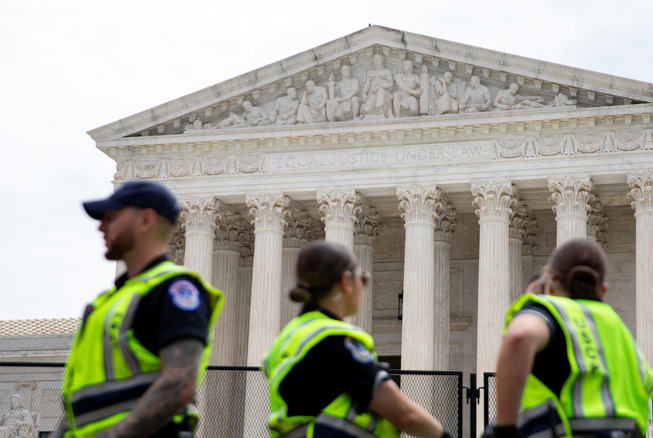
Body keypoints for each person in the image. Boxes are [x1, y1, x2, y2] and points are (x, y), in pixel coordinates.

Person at [54, 180, 224, 438]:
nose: (101, 226)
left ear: (145, 220)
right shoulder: (105, 304)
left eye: (112, 217)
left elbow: (179, 384)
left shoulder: (174, 289)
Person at [263, 241, 451, 438]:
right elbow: (405, 415)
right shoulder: (332, 340)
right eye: (363, 278)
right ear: (346, 281)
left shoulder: (287, 340)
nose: (363, 286)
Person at [492, 239, 653, 438]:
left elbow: (520, 336)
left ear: (551, 284)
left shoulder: (557, 311)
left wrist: (504, 430)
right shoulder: (621, 333)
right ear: (603, 290)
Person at [360, 53, 394, 119]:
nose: (376, 61)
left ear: (382, 61)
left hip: (384, 92)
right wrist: (364, 94)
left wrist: (379, 86)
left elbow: (390, 84)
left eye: (378, 59)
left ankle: (380, 108)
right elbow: (367, 85)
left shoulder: (387, 71)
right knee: (367, 110)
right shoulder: (371, 73)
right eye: (375, 59)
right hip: (372, 93)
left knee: (380, 90)